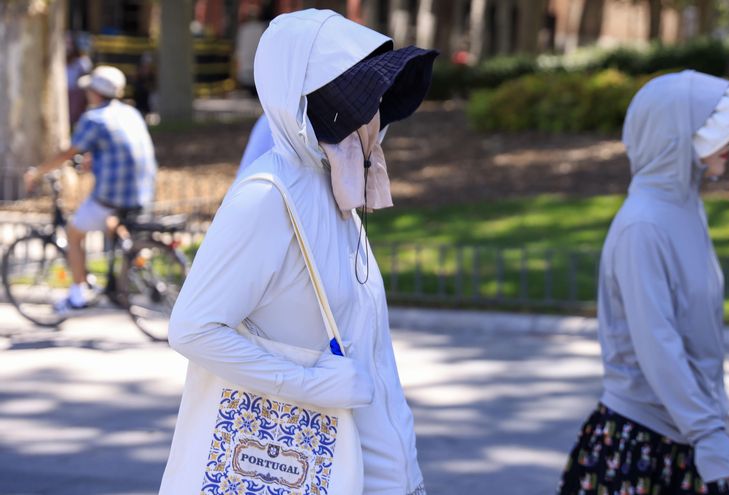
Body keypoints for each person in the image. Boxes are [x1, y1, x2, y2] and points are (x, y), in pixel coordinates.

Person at [163, 10, 437, 495]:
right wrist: (307, 385)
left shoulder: (333, 186)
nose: (372, 109)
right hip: (313, 470)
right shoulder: (268, 195)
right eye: (358, 93)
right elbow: (193, 328)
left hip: (378, 473)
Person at [558, 70, 729, 495]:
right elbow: (659, 347)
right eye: (714, 128)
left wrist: (713, 426)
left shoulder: (685, 208)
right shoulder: (643, 225)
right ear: (675, 136)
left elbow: (695, 339)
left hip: (689, 435)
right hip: (644, 446)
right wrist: (709, 433)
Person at [25, 65, 157, 313]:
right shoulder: (131, 113)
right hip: (142, 192)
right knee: (111, 225)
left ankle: (77, 294)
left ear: (95, 93)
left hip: (112, 195)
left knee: (74, 233)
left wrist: (38, 172)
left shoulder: (94, 118)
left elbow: (67, 153)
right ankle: (129, 263)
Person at [65, 33, 93, 126]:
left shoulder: (82, 61)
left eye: (69, 44)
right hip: (63, 92)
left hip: (76, 94)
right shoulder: (57, 60)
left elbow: (86, 77)